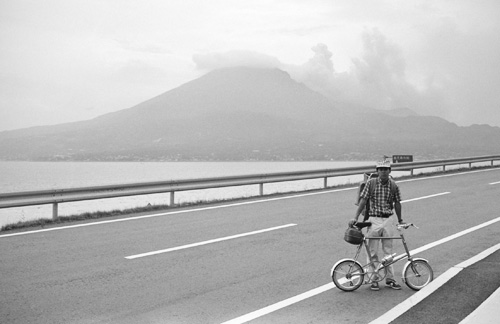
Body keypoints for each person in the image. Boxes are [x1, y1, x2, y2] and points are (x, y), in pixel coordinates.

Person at [351, 158, 403, 290]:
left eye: (385, 169)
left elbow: (397, 203)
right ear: (377, 171)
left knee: (388, 252)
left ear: (389, 171)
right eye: (381, 169)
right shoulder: (371, 183)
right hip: (373, 219)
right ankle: (373, 279)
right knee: (372, 251)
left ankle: (390, 279)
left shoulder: (393, 185)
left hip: (388, 219)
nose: (383, 172)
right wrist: (355, 217)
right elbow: (363, 200)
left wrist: (400, 219)